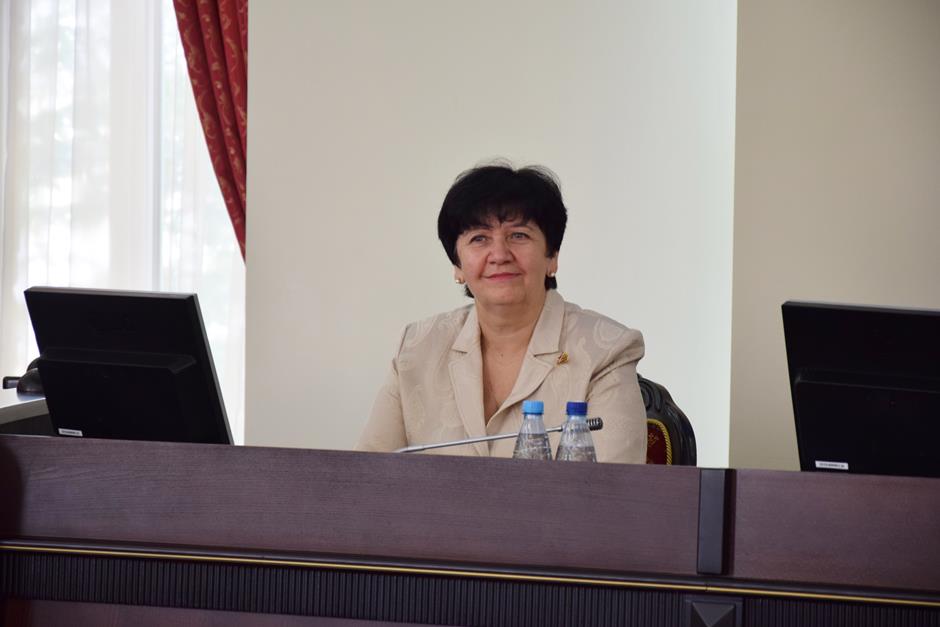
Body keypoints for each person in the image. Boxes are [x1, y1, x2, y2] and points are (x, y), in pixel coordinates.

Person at [357, 163, 647, 463]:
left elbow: (612, 486)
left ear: (552, 257)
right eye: (479, 238)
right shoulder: (417, 347)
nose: (499, 255)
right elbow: (366, 474)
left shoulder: (605, 350)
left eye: (518, 235)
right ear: (457, 265)